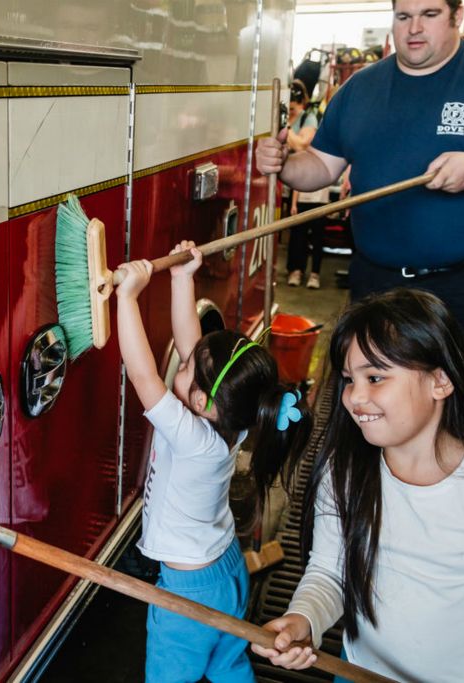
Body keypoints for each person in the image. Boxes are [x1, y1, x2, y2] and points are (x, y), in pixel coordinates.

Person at [256, 0, 464, 442]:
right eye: (404, 16)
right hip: (379, 289)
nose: (414, 28)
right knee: (375, 422)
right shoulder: (361, 88)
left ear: (457, 16)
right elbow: (321, 167)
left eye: (429, 14)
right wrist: (286, 163)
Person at [251, 288, 464, 682]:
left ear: (440, 382)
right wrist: (303, 618)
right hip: (357, 670)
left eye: (375, 377)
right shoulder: (344, 472)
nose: (355, 397)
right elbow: (330, 570)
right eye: (348, 379)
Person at [115, 240, 313, 682]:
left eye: (186, 370)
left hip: (189, 592)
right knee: (228, 663)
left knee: (171, 676)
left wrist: (127, 298)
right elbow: (193, 350)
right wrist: (182, 278)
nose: (181, 364)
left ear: (203, 399)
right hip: (226, 567)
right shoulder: (234, 421)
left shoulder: (190, 438)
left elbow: (142, 373)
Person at [285, 79, 323, 288]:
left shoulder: (309, 118)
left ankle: (312, 273)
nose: (291, 110)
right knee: (294, 232)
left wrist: (285, 126)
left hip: (304, 182)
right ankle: (294, 269)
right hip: (285, 185)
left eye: (293, 106)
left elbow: (301, 145)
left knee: (313, 231)